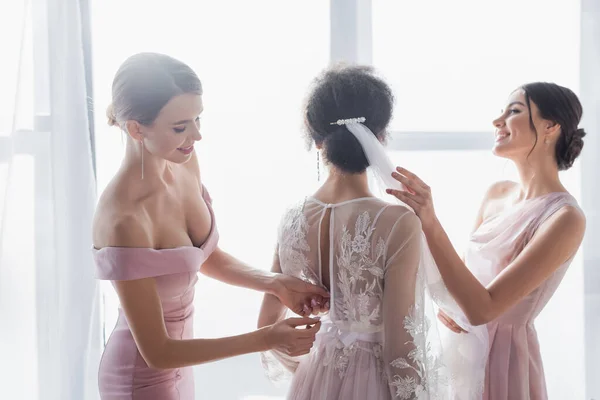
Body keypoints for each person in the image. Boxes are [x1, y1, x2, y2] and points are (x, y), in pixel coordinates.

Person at [91, 52, 328, 400]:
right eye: (180, 126)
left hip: (182, 364)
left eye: (198, 119)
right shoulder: (123, 220)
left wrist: (276, 283)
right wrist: (267, 337)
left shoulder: (182, 161)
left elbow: (200, 254)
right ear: (135, 129)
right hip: (141, 376)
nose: (196, 136)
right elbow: (157, 352)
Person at [257, 65, 487, 400]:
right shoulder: (395, 220)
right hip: (374, 385)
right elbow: (400, 345)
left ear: (317, 137)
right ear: (380, 137)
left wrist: (314, 372)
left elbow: (267, 326)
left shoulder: (291, 218)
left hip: (313, 378)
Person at [387, 82, 587, 400]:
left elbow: (484, 308)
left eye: (515, 111)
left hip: (504, 361)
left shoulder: (565, 218)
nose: (498, 121)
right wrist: (451, 308)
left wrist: (431, 221)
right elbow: (464, 288)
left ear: (550, 126)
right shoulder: (495, 194)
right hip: (462, 351)